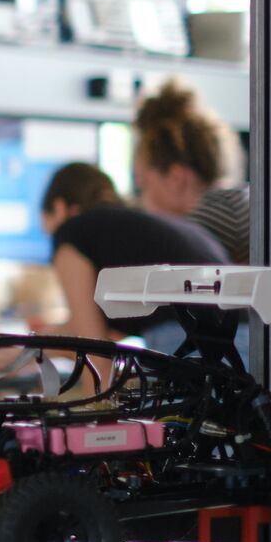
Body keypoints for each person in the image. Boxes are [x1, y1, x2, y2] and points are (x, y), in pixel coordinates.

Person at [39, 162, 226, 343]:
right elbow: (89, 330)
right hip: (244, 336)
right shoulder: (132, 229)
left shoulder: (71, 231)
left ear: (59, 208)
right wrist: (26, 350)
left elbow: (93, 354)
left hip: (194, 341)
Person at [132, 78, 249, 264]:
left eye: (144, 186)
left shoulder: (208, 221)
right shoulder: (234, 207)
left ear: (176, 178)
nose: (142, 203)